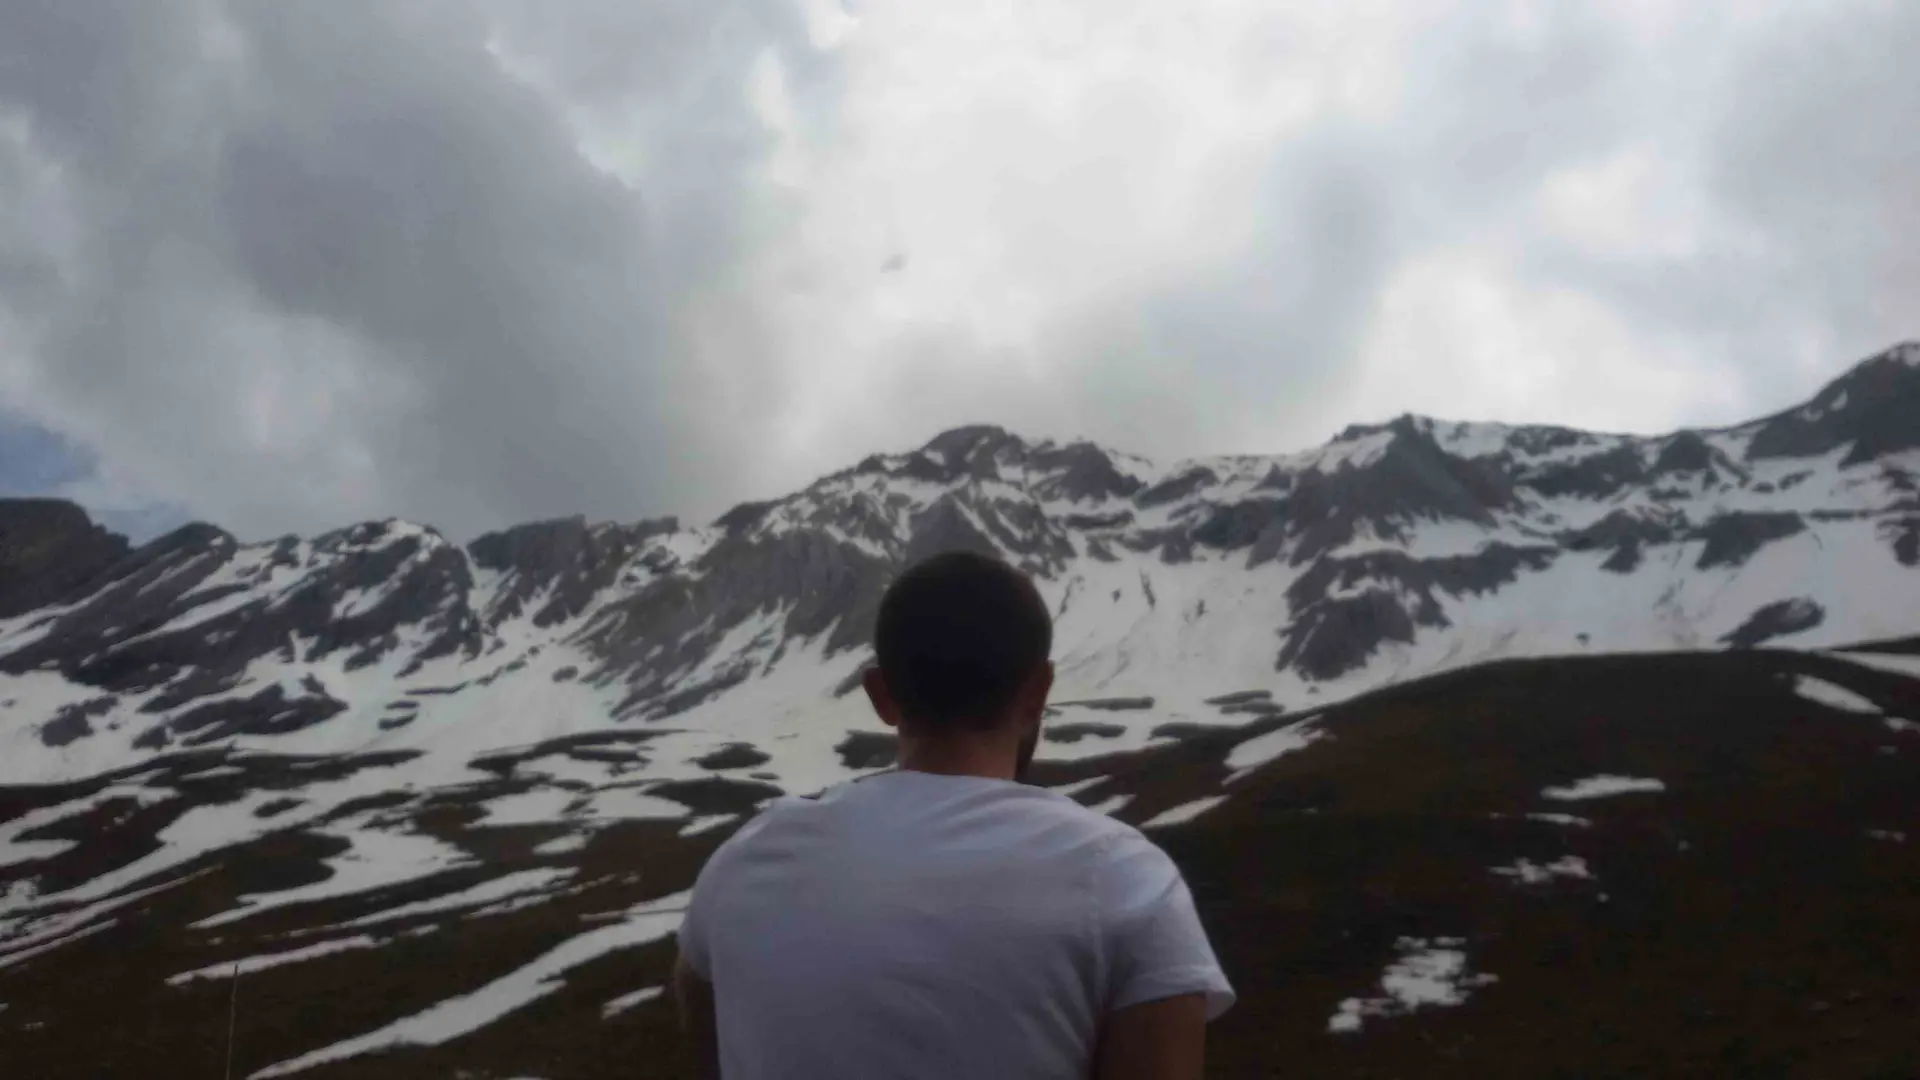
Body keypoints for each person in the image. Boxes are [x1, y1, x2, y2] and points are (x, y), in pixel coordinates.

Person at [673, 550, 1235, 1079]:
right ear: (1038, 691)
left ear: (881, 694)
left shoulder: (745, 861)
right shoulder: (1127, 880)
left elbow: (704, 1034)